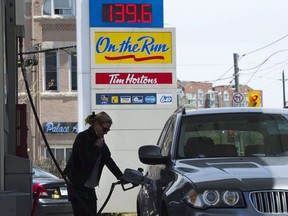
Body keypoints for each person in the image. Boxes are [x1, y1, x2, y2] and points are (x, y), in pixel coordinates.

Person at [64, 111, 123, 216]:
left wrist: (121, 177)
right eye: (104, 129)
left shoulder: (100, 141)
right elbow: (86, 162)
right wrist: (96, 148)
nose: (105, 132)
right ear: (96, 124)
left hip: (89, 187)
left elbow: (108, 160)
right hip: (77, 186)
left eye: (108, 130)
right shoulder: (83, 138)